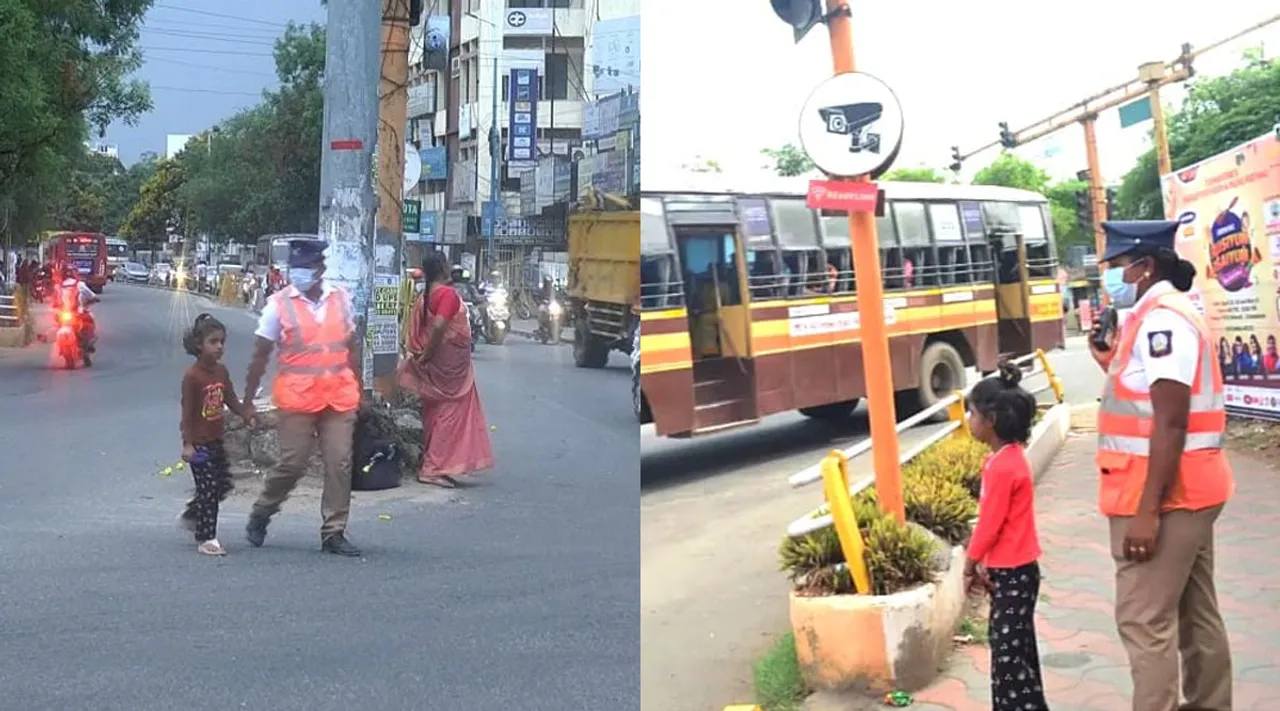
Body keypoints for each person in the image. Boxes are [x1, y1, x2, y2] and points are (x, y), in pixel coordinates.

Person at [1088, 220, 1233, 711]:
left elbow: (1170, 422)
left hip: (1164, 495)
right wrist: (1107, 361)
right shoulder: (1162, 314)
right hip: (1191, 487)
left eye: (1119, 268)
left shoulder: (1163, 320)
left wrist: (1148, 512)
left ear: (1145, 266)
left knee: (1143, 620)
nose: (1114, 278)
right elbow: (1149, 402)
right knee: (1196, 613)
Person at [243, 238, 363, 556]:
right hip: (297, 399)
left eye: (306, 268)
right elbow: (260, 355)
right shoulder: (278, 305)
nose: (299, 274)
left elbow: (351, 345)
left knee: (339, 462)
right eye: (295, 268)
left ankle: (333, 532)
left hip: (338, 396)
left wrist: (359, 386)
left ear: (320, 269)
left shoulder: (341, 300)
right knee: (292, 464)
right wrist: (247, 399)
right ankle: (263, 511)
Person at [963, 361, 1049, 711]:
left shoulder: (1003, 467)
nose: (968, 420)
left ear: (991, 420)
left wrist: (969, 564)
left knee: (1009, 658)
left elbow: (989, 524)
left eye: (971, 413)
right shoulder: (1008, 458)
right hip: (1015, 570)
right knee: (1017, 651)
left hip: (1014, 573)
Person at [396, 251, 494, 487]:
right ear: (441, 268)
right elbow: (439, 325)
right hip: (447, 366)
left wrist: (426, 356)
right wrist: (429, 354)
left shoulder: (427, 295)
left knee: (436, 411)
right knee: (451, 412)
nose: (451, 267)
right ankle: (432, 468)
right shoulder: (448, 295)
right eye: (447, 264)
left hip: (438, 365)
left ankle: (438, 463)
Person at [178, 314, 256, 556]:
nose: (219, 347)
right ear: (199, 345)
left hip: (215, 439)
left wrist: (244, 413)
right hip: (198, 444)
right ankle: (206, 538)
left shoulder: (221, 372)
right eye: (213, 342)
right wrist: (188, 444)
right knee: (209, 490)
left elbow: (230, 398)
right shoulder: (192, 376)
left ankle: (193, 514)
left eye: (222, 342)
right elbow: (188, 413)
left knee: (222, 485)